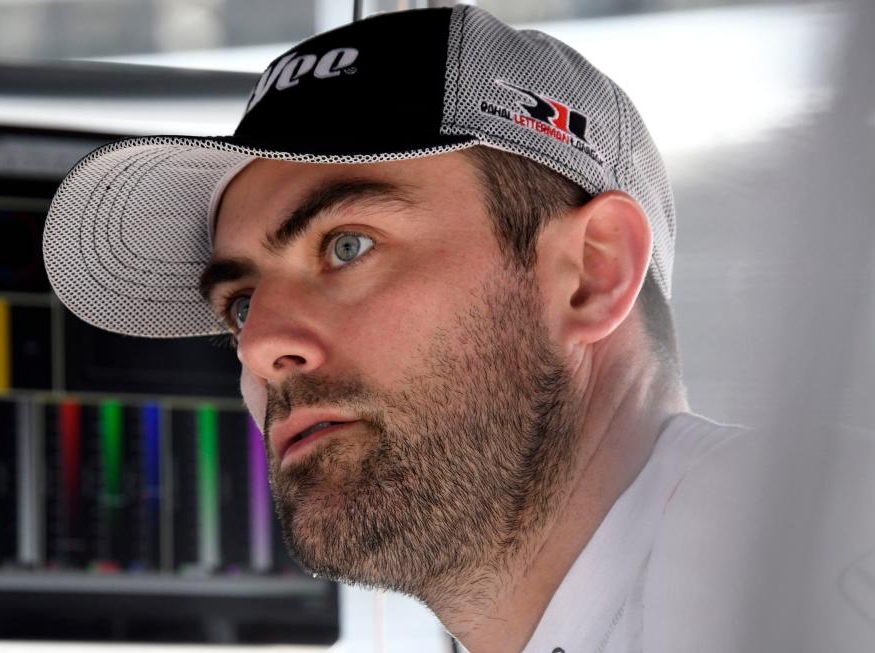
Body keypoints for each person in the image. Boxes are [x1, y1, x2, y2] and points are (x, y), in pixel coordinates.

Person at [42, 6, 748, 652]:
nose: (259, 349)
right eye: (242, 304)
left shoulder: (811, 568)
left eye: (347, 245)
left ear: (591, 274)